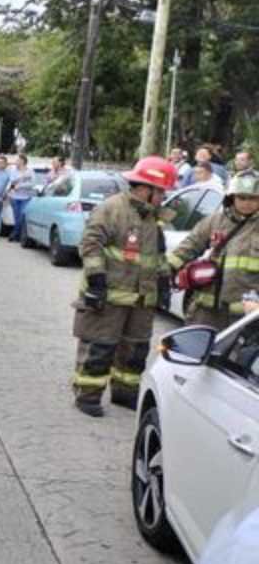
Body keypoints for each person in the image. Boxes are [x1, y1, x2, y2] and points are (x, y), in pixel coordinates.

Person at [71, 156, 176, 418]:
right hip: (110, 297)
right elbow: (91, 243)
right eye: (161, 191)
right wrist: (96, 280)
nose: (163, 197)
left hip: (141, 301)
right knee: (100, 347)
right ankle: (88, 395)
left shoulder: (153, 217)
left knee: (135, 351)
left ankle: (124, 393)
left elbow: (155, 257)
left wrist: (162, 282)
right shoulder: (112, 209)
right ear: (145, 188)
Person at [168, 171, 259, 330]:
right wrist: (165, 270)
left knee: (241, 355)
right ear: (232, 197)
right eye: (242, 197)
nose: (247, 203)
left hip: (245, 313)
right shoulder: (215, 221)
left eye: (253, 198)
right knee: (194, 350)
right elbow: (190, 245)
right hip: (205, 309)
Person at [7, 154, 37, 243]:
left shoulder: (30, 171)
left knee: (21, 216)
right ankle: (18, 235)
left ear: (23, 161)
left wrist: (20, 186)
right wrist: (23, 178)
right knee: (16, 217)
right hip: (14, 197)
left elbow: (32, 184)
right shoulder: (13, 171)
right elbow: (12, 181)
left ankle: (15, 234)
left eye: (18, 160)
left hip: (26, 197)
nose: (16, 162)